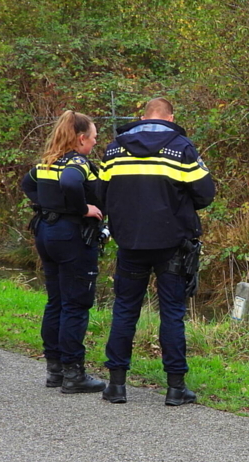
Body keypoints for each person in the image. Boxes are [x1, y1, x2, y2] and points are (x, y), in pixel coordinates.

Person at [98, 97, 215, 405]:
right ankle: (176, 388)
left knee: (124, 309)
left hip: (129, 242)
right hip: (172, 243)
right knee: (172, 314)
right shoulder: (182, 148)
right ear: (170, 117)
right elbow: (205, 193)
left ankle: (116, 385)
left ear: (142, 116)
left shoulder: (114, 148)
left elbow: (101, 191)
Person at [21, 110, 106, 393]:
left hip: (46, 232)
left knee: (55, 301)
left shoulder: (47, 162)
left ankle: (54, 369)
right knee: (76, 303)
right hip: (71, 236)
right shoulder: (77, 163)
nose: (95, 143)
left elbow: (27, 184)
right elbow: (71, 182)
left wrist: (48, 205)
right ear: (81, 138)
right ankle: (74, 373)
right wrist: (82, 209)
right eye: (93, 138)